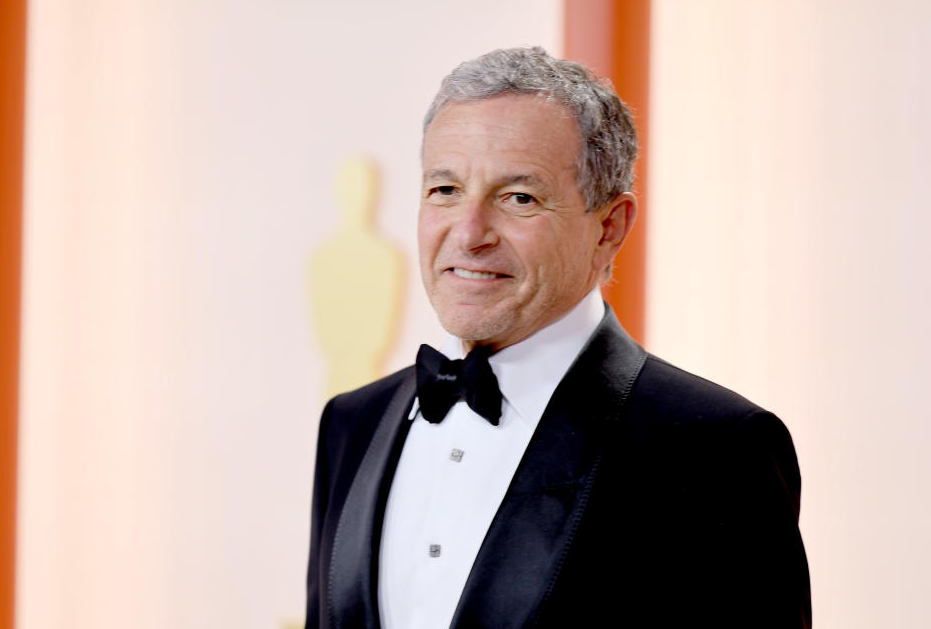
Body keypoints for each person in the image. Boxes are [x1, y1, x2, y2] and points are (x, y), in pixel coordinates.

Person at [306, 47, 811, 629]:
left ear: (609, 228)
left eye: (519, 198)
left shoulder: (716, 448)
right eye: (444, 190)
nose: (468, 233)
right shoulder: (351, 422)